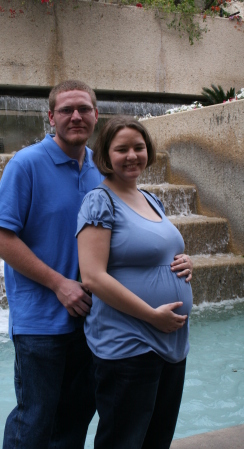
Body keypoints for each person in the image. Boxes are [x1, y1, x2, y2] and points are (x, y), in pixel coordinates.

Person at [0, 80, 104, 449]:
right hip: (40, 321)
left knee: (76, 415)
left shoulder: (99, 169)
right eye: (67, 110)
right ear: (51, 117)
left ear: (96, 115)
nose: (76, 116)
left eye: (84, 109)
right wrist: (59, 284)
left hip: (90, 318)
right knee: (35, 418)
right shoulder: (27, 164)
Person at [76, 116, 193, 449]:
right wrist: (152, 315)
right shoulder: (100, 201)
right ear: (105, 155)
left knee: (157, 439)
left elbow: (159, 252)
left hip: (170, 344)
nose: (132, 155)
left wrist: (186, 261)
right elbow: (93, 276)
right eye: (122, 149)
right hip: (128, 343)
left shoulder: (150, 198)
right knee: (123, 441)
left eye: (138, 147)